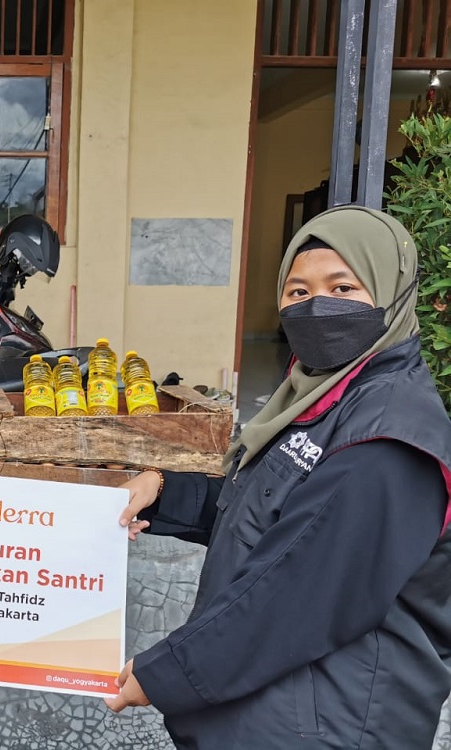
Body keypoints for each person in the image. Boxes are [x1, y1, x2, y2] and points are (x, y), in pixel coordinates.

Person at [106, 205, 451, 748]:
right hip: (283, 707)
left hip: (333, 720)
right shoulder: (322, 400)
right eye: (298, 292)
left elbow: (294, 592)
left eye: (343, 288)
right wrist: (164, 491)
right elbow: (273, 503)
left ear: (392, 294)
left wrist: (168, 673)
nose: (317, 308)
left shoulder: (389, 442)